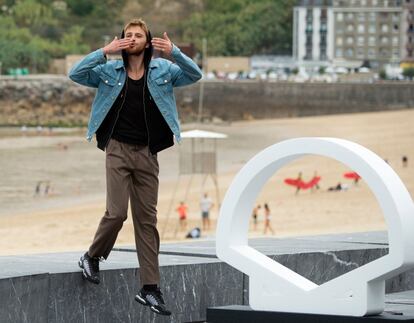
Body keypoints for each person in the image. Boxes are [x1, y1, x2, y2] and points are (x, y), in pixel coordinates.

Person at [69, 18, 202, 316]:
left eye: (137, 35)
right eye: (127, 35)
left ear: (148, 40)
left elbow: (195, 75)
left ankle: (150, 288)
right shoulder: (108, 71)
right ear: (121, 41)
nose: (131, 38)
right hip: (116, 149)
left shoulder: (164, 70)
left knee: (147, 222)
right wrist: (105, 51)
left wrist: (174, 52)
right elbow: (75, 73)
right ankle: (92, 256)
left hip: (147, 153)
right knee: (116, 213)